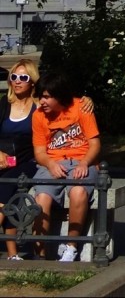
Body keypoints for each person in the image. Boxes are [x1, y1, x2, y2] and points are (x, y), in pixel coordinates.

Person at [32, 71, 101, 263]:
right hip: (52, 162)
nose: (42, 102)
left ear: (59, 96)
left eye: (46, 97)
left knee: (78, 192)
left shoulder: (81, 107)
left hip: (81, 160)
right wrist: (50, 163)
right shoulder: (39, 116)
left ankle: (71, 247)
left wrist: (85, 162)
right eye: (40, 97)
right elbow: (39, 152)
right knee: (42, 197)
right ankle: (40, 252)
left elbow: (95, 144)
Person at [0, 60, 40, 259]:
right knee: (9, 192)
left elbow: (67, 102)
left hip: (27, 161)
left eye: (23, 77)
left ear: (32, 81)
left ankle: (13, 253)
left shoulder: (39, 107)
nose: (17, 81)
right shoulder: (3, 104)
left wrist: (85, 99)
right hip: (2, 160)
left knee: (7, 186)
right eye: (13, 77)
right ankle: (12, 254)